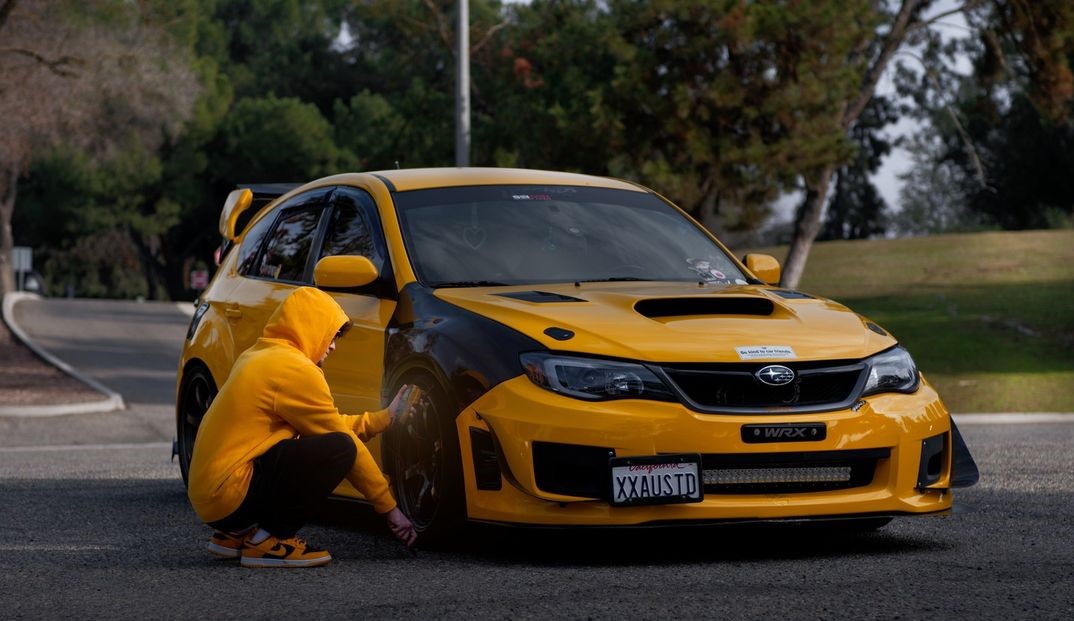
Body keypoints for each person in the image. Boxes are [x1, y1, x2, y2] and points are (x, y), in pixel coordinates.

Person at [187, 286, 417, 568]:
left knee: (319, 445)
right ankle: (269, 539)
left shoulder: (260, 355)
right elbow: (342, 442)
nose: (332, 346)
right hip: (229, 495)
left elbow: (327, 426)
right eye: (331, 335)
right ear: (309, 327)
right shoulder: (295, 370)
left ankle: (236, 534)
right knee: (340, 450)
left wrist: (383, 419)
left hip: (211, 496)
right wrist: (389, 508)